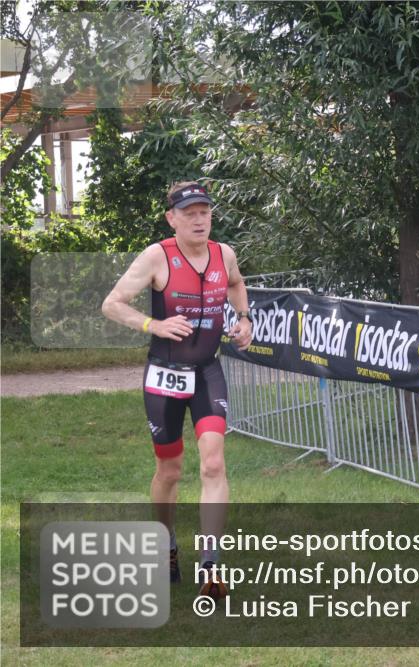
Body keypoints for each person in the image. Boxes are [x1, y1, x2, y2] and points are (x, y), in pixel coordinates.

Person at [102, 181, 252, 594]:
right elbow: (112, 303)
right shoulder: (157, 256)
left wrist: (244, 318)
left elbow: (236, 283)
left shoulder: (224, 254)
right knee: (169, 470)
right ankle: (165, 544)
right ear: (172, 219)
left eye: (204, 211)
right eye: (189, 213)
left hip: (207, 371)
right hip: (164, 376)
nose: (199, 219)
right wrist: (154, 325)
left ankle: (210, 565)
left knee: (213, 464)